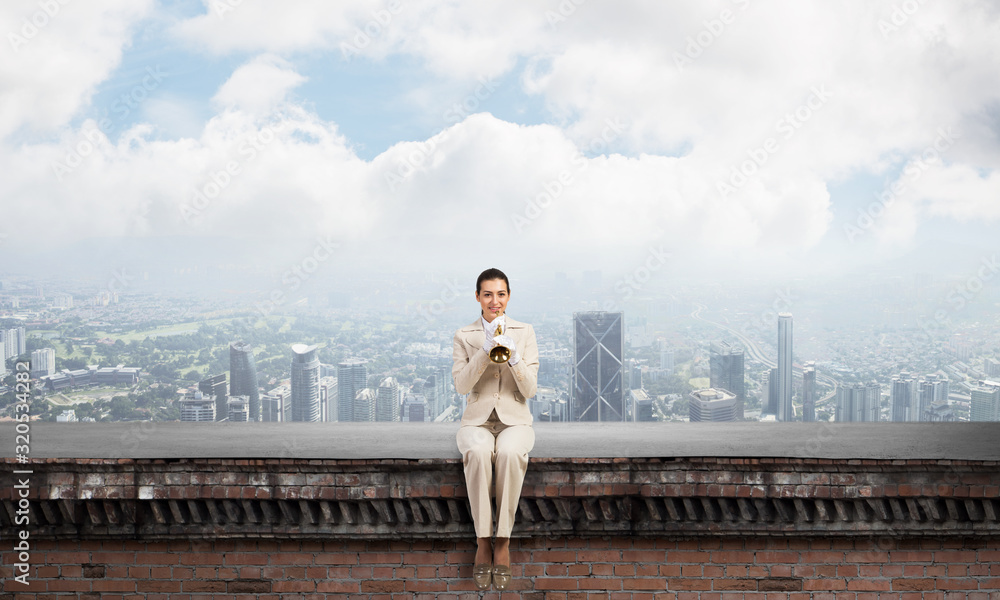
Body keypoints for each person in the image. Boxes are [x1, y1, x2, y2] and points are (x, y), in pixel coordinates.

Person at [452, 268, 539, 591]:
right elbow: (462, 386)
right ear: (477, 297)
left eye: (501, 294)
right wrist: (483, 350)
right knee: (476, 452)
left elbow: (530, 391)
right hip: (476, 420)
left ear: (509, 296)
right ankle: (483, 541)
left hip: (515, 420)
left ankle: (502, 541)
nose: (494, 301)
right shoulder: (464, 335)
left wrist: (514, 356)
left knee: (509, 452)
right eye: (487, 294)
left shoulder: (525, 332)